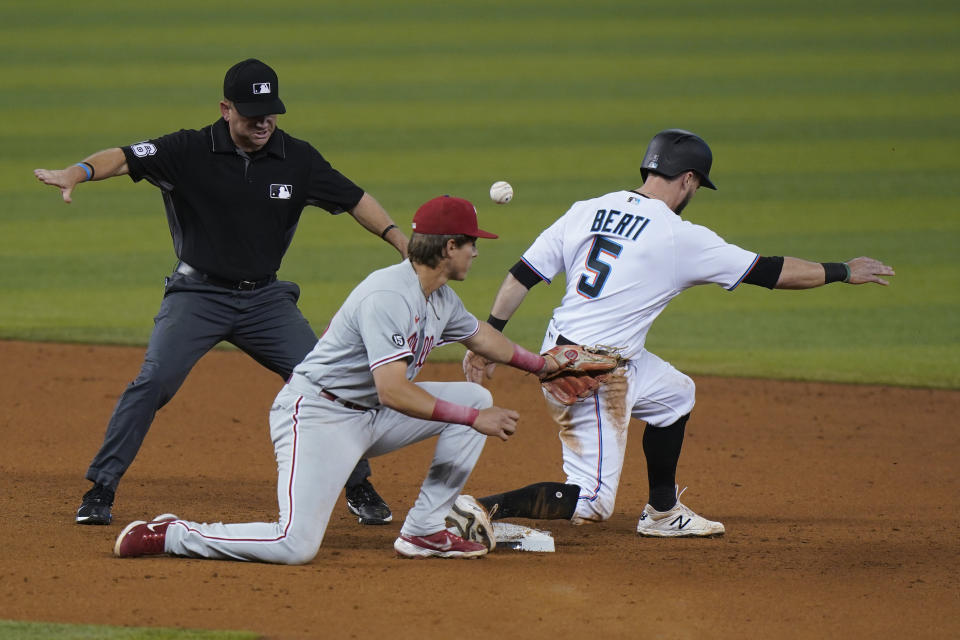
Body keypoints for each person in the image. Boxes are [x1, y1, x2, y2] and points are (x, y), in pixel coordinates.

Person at [458, 128, 895, 540]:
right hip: (590, 373)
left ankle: (662, 514)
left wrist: (490, 338)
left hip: (572, 349)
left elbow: (522, 275)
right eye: (698, 185)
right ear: (688, 179)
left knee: (675, 396)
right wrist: (842, 271)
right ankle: (479, 508)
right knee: (591, 502)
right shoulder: (679, 235)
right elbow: (771, 271)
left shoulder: (586, 210)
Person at [33, 58, 405, 527]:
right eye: (252, 113)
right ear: (226, 109)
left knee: (328, 382)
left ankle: (358, 484)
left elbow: (355, 199)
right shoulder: (188, 149)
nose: (264, 121)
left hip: (265, 302)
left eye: (271, 112)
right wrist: (77, 172)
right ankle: (100, 489)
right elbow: (125, 156)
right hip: (197, 296)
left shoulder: (298, 158)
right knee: (154, 382)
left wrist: (400, 241)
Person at [112, 195, 565, 562]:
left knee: (475, 396)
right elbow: (392, 389)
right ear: (449, 247)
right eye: (471, 244)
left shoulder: (440, 297)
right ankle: (174, 534)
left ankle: (426, 531)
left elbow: (484, 340)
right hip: (319, 417)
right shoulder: (389, 294)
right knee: (295, 545)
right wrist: (470, 418)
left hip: (371, 415)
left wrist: (546, 365)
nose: (476, 251)